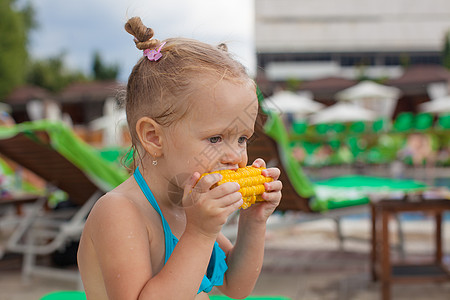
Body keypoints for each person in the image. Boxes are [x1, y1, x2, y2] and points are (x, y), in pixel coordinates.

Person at [77, 16, 282, 300]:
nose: (236, 157)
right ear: (154, 138)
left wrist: (253, 221)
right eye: (215, 138)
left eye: (242, 139)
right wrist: (199, 233)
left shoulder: (187, 205)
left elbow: (236, 286)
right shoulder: (120, 213)